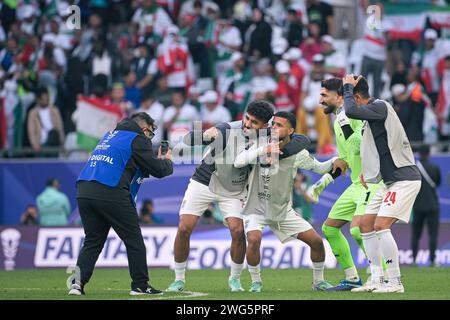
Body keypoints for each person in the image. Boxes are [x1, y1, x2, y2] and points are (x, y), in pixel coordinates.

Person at [166, 100, 308, 293]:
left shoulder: (270, 136)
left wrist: (279, 152)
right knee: (184, 227)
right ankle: (179, 279)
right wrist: (205, 135)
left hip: (234, 189)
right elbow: (189, 140)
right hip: (205, 180)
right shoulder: (226, 129)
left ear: (266, 125)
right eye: (247, 118)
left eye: (254, 122)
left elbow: (302, 140)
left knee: (238, 231)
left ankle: (235, 280)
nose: (247, 124)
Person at [234, 111, 346, 292]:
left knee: (317, 243)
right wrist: (264, 150)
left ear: (291, 130)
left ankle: (318, 282)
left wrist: (336, 160)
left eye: (279, 125)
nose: (274, 128)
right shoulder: (259, 144)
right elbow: (238, 162)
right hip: (256, 208)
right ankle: (256, 282)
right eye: (273, 124)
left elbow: (319, 168)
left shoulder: (297, 153)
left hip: (283, 210)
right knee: (254, 239)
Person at [69, 112, 173, 296]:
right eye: (150, 132)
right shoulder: (138, 139)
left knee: (92, 241)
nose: (150, 137)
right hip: (110, 190)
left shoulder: (109, 136)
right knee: (134, 240)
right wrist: (167, 160)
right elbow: (159, 170)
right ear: (143, 128)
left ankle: (77, 283)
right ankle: (140, 285)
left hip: (84, 189)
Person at [342, 75, 421, 293]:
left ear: (357, 97)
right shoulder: (374, 116)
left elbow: (350, 111)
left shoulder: (380, 107)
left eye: (351, 97)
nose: (349, 101)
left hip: (404, 179)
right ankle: (376, 279)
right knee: (365, 225)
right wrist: (367, 173)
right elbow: (374, 148)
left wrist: (347, 87)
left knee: (380, 225)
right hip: (388, 181)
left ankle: (395, 282)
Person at [307, 78, 384, 291]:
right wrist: (321, 184)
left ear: (340, 97)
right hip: (356, 184)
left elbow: (361, 146)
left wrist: (344, 123)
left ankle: (382, 275)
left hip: (372, 182)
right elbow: (345, 160)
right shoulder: (338, 120)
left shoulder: (356, 115)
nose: (320, 100)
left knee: (359, 230)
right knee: (329, 229)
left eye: (324, 95)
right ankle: (352, 277)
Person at [412, 144, 441, 267]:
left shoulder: (414, 169)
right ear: (429, 153)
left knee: (415, 234)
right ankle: (433, 260)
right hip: (432, 206)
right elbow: (438, 183)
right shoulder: (435, 168)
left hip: (418, 206)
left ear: (419, 153)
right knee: (433, 234)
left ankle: (414, 260)